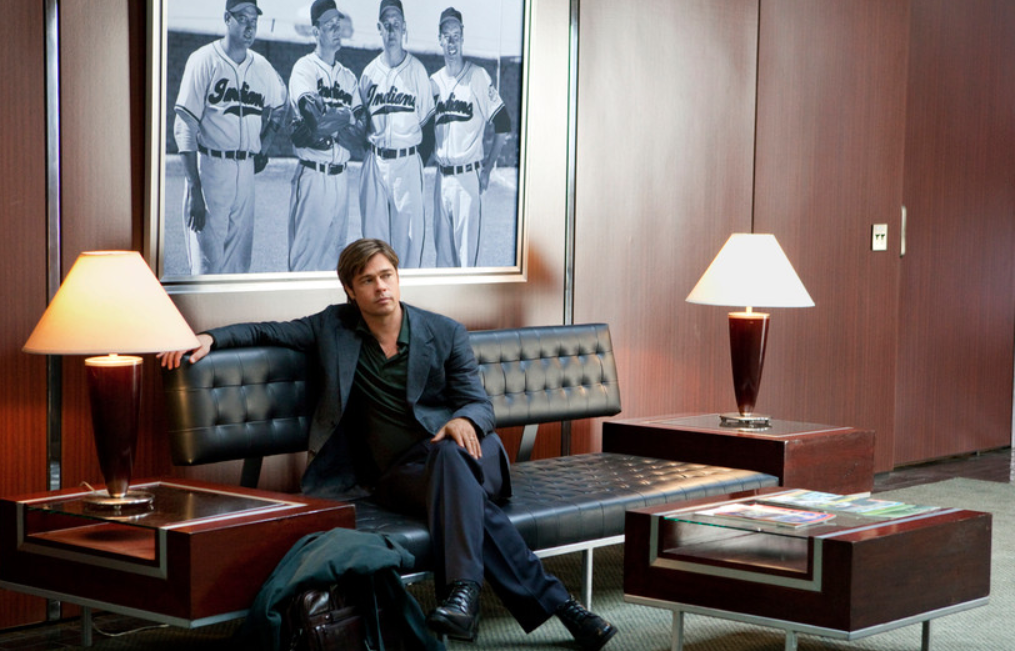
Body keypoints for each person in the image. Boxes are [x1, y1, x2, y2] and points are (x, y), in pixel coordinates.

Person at [158, 238, 617, 650]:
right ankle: (559, 606)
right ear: (350, 290)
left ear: (397, 278)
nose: (381, 287)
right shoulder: (333, 329)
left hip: (473, 458)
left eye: (387, 275)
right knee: (463, 499)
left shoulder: (443, 332)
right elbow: (267, 331)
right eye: (368, 280)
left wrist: (463, 419)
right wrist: (209, 337)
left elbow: (479, 403)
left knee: (449, 456)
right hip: (401, 478)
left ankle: (465, 593)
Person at [173, 0, 288, 275]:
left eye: (254, 20)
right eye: (243, 18)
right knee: (207, 267)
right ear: (227, 18)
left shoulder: (262, 67)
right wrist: (195, 189)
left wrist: (265, 144)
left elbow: (282, 104)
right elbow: (185, 125)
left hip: (246, 171)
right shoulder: (204, 60)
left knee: (239, 267)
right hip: (212, 169)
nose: (250, 26)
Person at [430, 7, 512, 267]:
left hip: (468, 179)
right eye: (447, 36)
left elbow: (503, 123)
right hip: (441, 180)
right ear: (440, 39)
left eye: (456, 35)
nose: (452, 41)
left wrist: (487, 169)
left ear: (463, 37)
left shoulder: (477, 76)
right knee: (443, 264)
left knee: (467, 265)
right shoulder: (433, 83)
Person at [287, 0, 364, 272]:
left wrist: (330, 122)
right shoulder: (304, 68)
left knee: (335, 265)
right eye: (329, 25)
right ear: (315, 31)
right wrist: (346, 117)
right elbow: (314, 119)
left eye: (338, 24)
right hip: (313, 176)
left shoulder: (349, 77)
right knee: (305, 264)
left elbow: (360, 135)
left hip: (341, 179)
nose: (336, 30)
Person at [358, 0, 435, 268]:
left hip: (407, 164)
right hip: (375, 163)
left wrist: (414, 164)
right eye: (386, 25)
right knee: (373, 249)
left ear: (404, 28)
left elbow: (428, 127)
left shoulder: (417, 71)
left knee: (408, 248)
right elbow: (362, 125)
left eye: (396, 24)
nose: (391, 31)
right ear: (379, 28)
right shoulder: (369, 74)